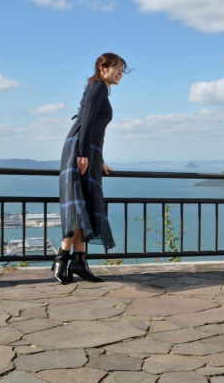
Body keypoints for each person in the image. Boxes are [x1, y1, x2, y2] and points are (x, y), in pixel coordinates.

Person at [52, 52, 128, 284]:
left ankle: (79, 262)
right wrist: (84, 153)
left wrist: (98, 158)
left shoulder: (100, 89)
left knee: (84, 204)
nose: (120, 73)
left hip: (88, 149)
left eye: (122, 69)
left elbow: (97, 130)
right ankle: (61, 260)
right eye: (116, 67)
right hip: (80, 148)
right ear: (102, 68)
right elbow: (85, 123)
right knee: (79, 207)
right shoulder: (98, 87)